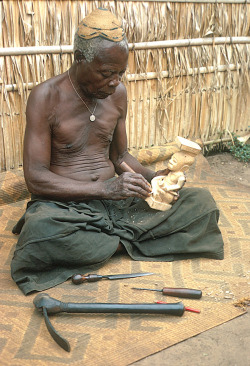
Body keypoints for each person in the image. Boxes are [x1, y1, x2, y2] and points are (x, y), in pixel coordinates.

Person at [11, 8, 224, 295]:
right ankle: (131, 239)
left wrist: (153, 178)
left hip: (116, 203)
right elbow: (36, 179)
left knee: (202, 204)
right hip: (65, 206)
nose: (114, 82)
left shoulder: (117, 94)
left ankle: (104, 244)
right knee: (40, 231)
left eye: (120, 73)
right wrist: (105, 189)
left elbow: (120, 157)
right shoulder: (45, 97)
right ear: (79, 60)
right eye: (106, 73)